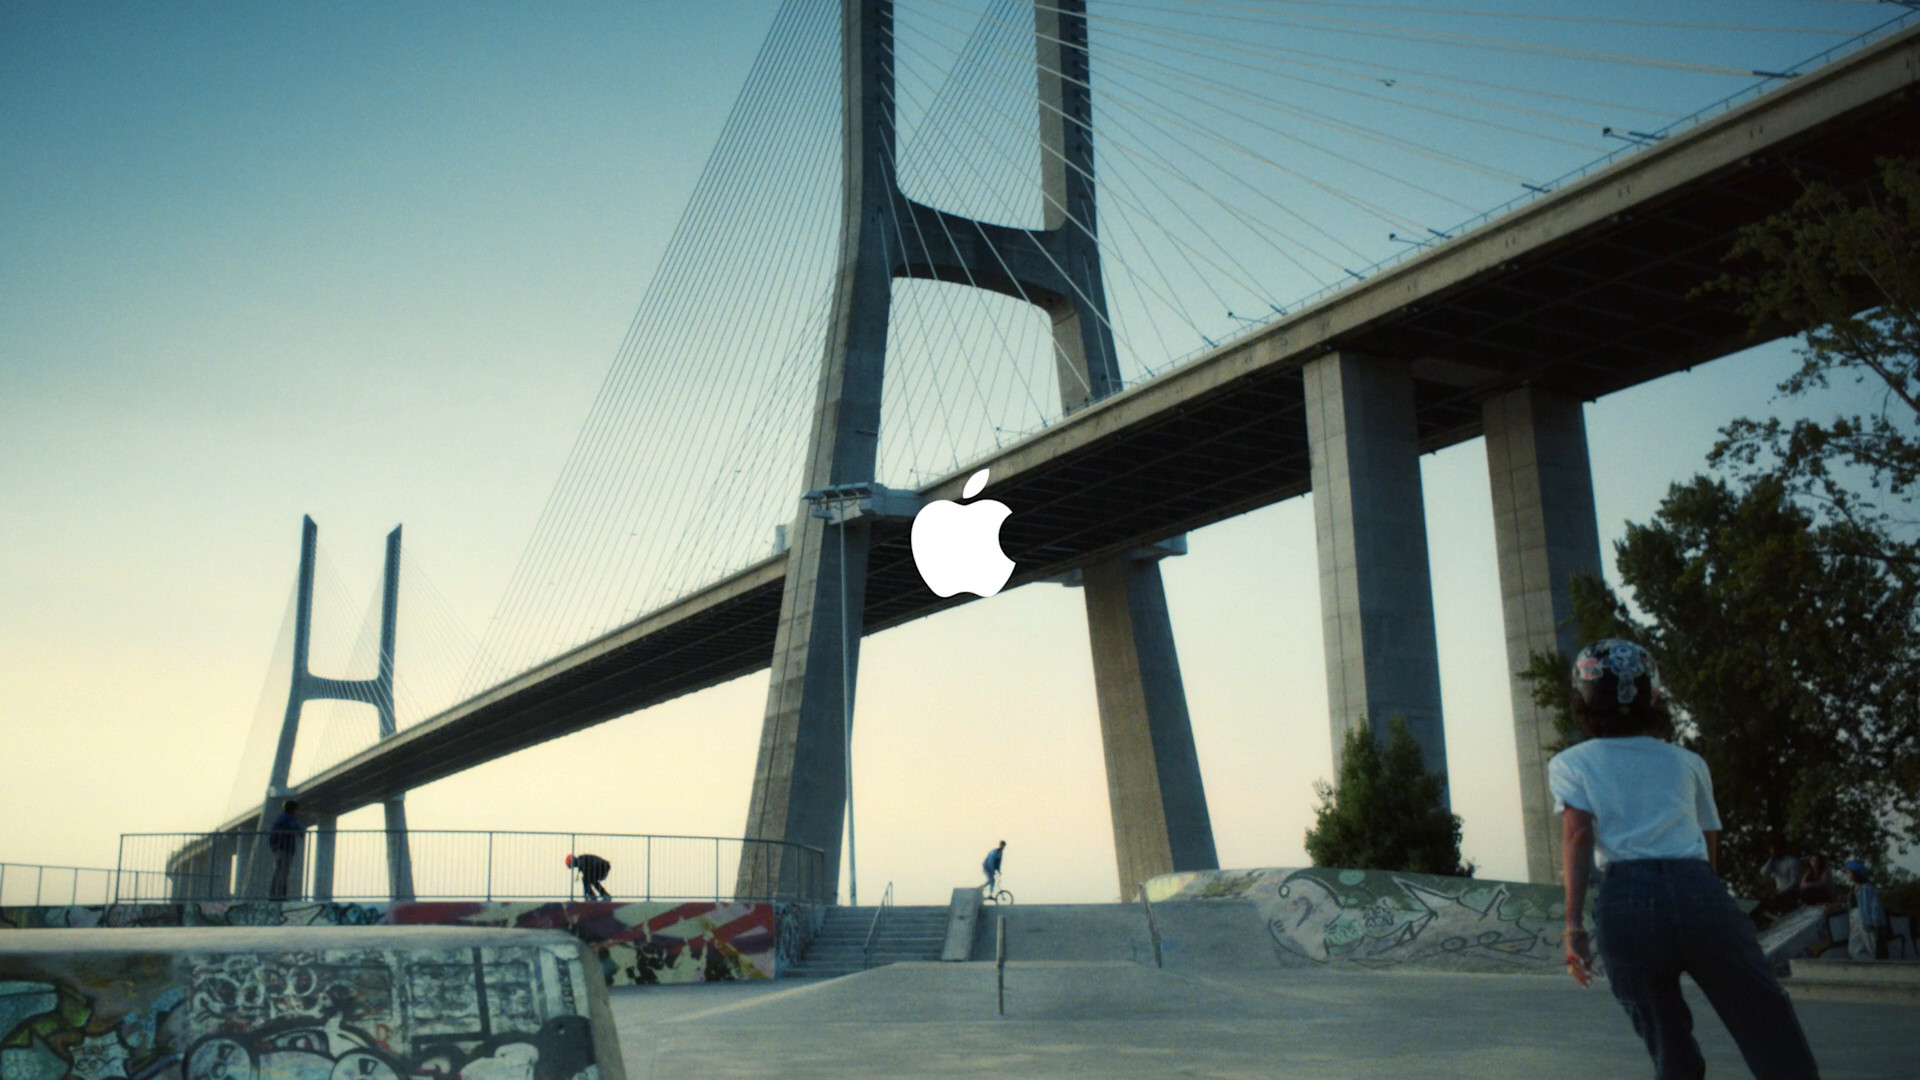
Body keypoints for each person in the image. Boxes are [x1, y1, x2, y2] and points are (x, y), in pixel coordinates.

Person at [1552, 639, 1819, 1080]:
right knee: (1766, 1023)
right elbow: (1707, 834)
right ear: (1652, 696)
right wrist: (1705, 898)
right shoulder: (1687, 761)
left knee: (1669, 1044)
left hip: (1626, 901)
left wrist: (1573, 925)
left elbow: (1578, 835)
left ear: (1583, 698)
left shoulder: (1571, 762)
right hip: (1698, 887)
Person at [1845, 860, 1890, 961]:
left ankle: (1877, 968)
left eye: (1849, 872)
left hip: (1866, 920)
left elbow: (1875, 905)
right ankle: (1869, 964)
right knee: (1854, 949)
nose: (1847, 875)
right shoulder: (1853, 889)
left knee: (1872, 948)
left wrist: (1876, 922)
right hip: (1854, 921)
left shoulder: (1867, 888)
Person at [1751, 842, 1805, 926]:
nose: (1774, 852)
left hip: (1791, 892)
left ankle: (1777, 917)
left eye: (1775, 850)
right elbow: (1764, 872)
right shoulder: (1774, 862)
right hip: (1779, 892)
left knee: (1774, 899)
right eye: (1772, 851)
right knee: (1757, 905)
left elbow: (1794, 882)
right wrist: (1771, 859)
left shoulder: (1792, 862)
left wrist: (1780, 892)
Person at [267, 799, 302, 900]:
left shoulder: (280, 819)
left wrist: (274, 847)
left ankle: (274, 895)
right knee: (283, 872)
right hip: (285, 849)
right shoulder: (288, 819)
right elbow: (296, 828)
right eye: (296, 810)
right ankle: (280, 896)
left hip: (279, 849)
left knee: (278, 872)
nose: (297, 812)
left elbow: (273, 834)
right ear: (292, 810)